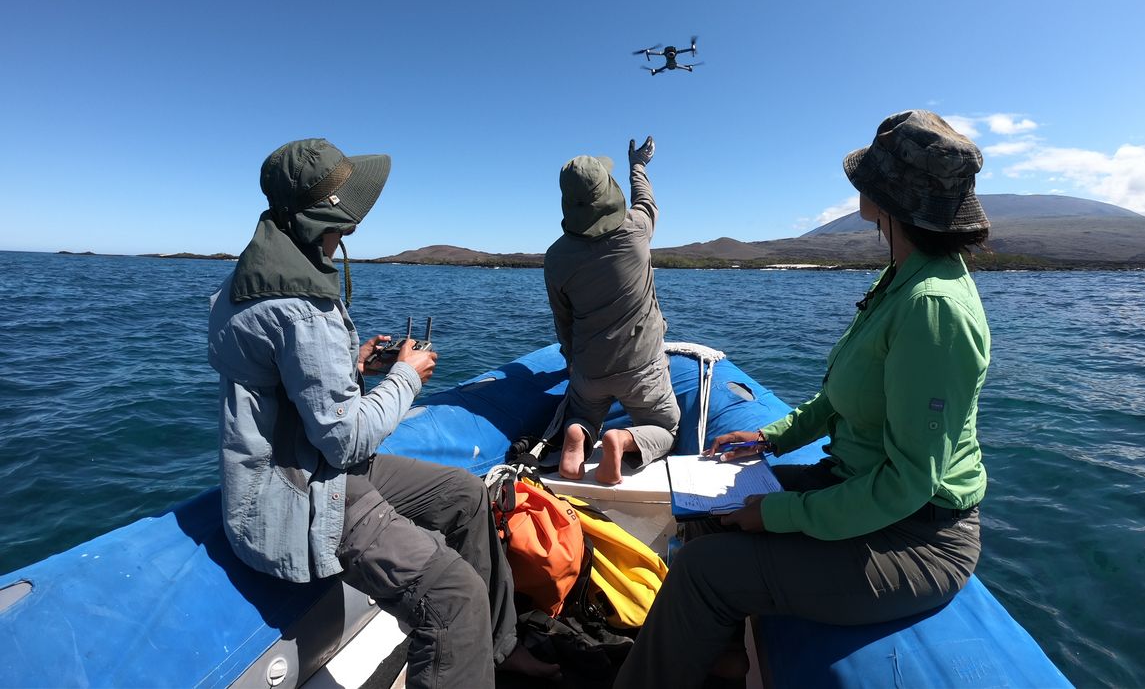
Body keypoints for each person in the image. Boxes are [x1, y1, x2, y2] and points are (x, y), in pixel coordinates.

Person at [614, 110, 993, 688]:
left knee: (700, 568)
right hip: (858, 491)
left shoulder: (932, 307)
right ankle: (717, 658)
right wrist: (772, 437)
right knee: (707, 513)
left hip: (918, 536)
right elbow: (842, 396)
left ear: (884, 198)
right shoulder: (900, 280)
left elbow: (909, 483)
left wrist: (779, 513)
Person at [208, 138, 556, 689]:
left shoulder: (243, 284)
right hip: (307, 494)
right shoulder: (304, 308)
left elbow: (283, 379)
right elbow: (345, 441)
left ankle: (494, 651)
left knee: (465, 495)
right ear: (321, 217)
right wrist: (404, 377)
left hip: (305, 468)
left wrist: (354, 361)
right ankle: (466, 642)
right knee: (453, 593)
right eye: (343, 217)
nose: (350, 228)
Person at [543, 136, 680, 486]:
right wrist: (638, 164)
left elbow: (564, 319)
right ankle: (623, 440)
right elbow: (645, 199)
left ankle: (578, 432)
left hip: (590, 368)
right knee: (666, 427)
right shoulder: (635, 230)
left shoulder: (556, 257)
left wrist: (572, 358)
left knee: (584, 412)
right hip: (641, 367)